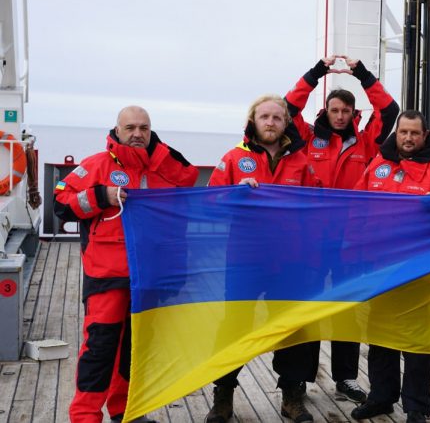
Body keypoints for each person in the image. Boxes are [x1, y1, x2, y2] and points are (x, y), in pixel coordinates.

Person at [54, 106, 199, 423]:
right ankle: (85, 416)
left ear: (151, 132)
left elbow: (194, 184)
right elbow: (61, 204)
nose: (137, 134)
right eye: (130, 127)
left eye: (144, 128)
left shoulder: (165, 167)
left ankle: (125, 411)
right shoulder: (97, 165)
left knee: (136, 348)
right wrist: (101, 196)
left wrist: (244, 188)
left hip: (151, 275)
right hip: (107, 274)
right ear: (117, 130)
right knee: (100, 347)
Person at [283, 54, 399, 403]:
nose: (340, 116)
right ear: (326, 111)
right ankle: (300, 378)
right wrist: (317, 72)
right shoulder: (306, 138)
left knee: (347, 306)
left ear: (353, 113)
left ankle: (345, 378)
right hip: (311, 240)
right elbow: (288, 108)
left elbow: (389, 111)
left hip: (351, 241)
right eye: (334, 110)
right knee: (308, 306)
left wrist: (361, 73)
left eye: (346, 111)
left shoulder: (367, 142)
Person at [205, 94, 320, 423]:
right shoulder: (233, 158)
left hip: (290, 260)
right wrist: (235, 193)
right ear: (252, 121)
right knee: (234, 326)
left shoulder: (301, 161)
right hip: (244, 260)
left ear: (286, 123)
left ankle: (292, 397)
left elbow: (319, 204)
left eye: (277, 117)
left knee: (292, 328)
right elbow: (210, 203)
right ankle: (223, 395)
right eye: (264, 116)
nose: (270, 122)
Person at [351, 110, 430, 423]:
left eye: (415, 133)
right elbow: (357, 204)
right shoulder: (378, 163)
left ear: (424, 135)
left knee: (417, 340)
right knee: (380, 335)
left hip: (420, 268)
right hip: (380, 265)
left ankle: (416, 406)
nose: (408, 138)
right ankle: (381, 397)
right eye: (403, 132)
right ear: (396, 133)